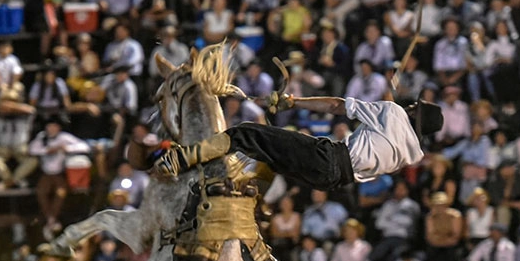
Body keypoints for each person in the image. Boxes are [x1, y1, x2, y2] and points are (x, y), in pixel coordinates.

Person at [152, 89, 443, 192]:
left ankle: (181, 158)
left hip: (329, 157)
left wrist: (293, 101)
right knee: (264, 156)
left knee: (247, 133)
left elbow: (336, 106)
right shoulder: (412, 155)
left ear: (413, 111)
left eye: (414, 107)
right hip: (334, 181)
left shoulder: (392, 112)